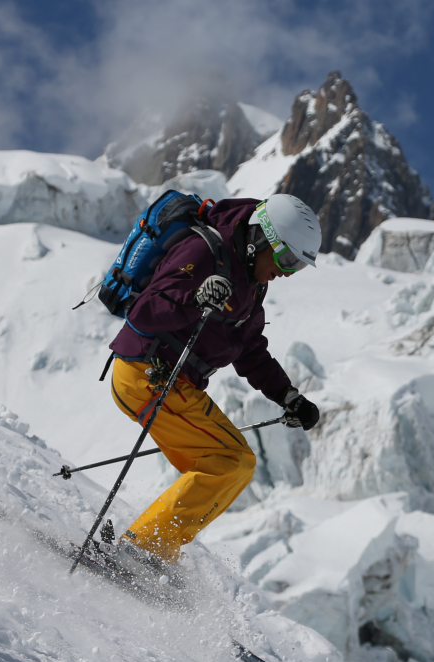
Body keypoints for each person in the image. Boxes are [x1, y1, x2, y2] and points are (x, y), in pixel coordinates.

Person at [104, 193, 321, 574]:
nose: (286, 273)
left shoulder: (251, 285)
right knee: (229, 461)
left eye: (297, 268)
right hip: (145, 373)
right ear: (260, 238)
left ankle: (149, 550)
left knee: (232, 464)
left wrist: (288, 395)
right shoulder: (204, 253)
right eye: (287, 260)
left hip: (172, 384)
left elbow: (250, 348)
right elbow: (142, 315)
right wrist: (195, 298)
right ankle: (143, 552)